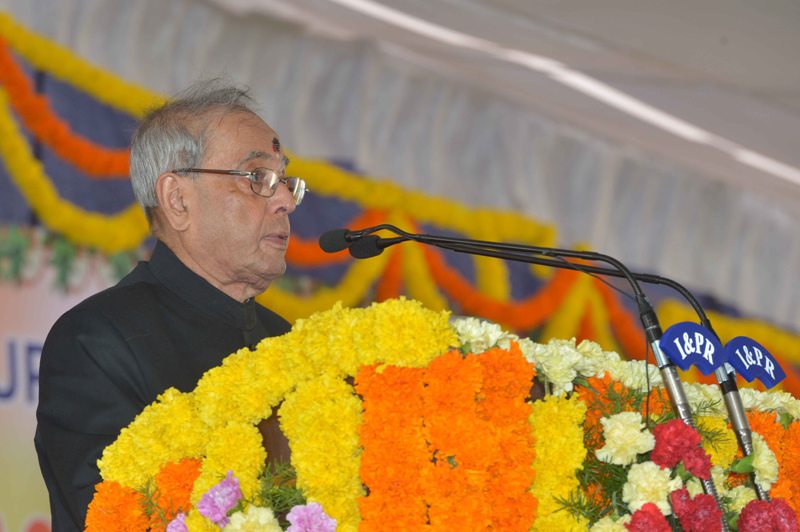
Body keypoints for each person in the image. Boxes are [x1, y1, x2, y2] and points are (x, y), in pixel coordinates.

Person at [34, 79, 306, 531]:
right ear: (178, 199)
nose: (284, 201)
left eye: (284, 181)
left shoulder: (290, 344)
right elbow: (115, 518)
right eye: (258, 177)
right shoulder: (96, 341)